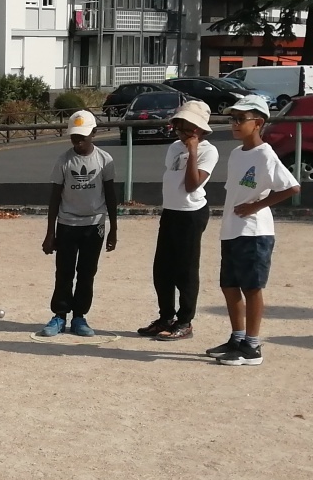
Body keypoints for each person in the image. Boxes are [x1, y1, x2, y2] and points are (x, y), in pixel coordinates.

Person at [206, 94, 300, 366]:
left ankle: (253, 345)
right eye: (232, 118)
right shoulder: (237, 153)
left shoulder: (265, 154)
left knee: (252, 287)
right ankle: (237, 337)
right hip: (232, 229)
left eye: (241, 119)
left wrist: (257, 205)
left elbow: (291, 186)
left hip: (254, 231)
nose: (234, 123)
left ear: (258, 122)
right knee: (229, 285)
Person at [137, 99, 218, 341]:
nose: (180, 132)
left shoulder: (208, 151)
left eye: (185, 128)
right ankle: (165, 317)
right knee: (162, 269)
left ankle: (185, 321)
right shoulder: (174, 148)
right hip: (171, 211)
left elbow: (192, 184)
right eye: (178, 127)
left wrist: (193, 150)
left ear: (198, 129)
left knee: (186, 269)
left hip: (191, 213)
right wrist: (184, 146)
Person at [40, 110, 118, 337]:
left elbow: (111, 196)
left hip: (94, 226)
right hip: (67, 224)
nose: (78, 140)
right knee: (64, 272)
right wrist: (50, 233)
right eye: (74, 136)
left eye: (83, 136)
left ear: (94, 133)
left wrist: (113, 229)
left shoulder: (104, 160)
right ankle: (59, 316)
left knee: (87, 272)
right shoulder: (63, 160)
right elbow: (55, 197)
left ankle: (79, 317)